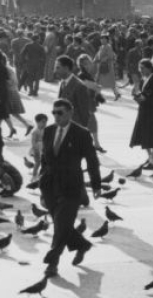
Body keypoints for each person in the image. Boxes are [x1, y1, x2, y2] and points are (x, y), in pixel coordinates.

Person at [39, 98, 103, 277]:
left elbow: (92, 160)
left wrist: (96, 184)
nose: (56, 116)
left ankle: (52, 262)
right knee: (62, 224)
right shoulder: (49, 131)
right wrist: (41, 182)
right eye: (54, 113)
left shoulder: (81, 133)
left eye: (60, 113)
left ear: (70, 113)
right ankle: (82, 244)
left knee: (61, 224)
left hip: (71, 186)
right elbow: (45, 158)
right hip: (50, 185)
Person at [129, 59, 153, 170]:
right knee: (144, 137)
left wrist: (141, 97)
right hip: (144, 112)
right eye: (139, 68)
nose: (140, 70)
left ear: (149, 68)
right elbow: (141, 97)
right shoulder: (143, 80)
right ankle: (151, 159)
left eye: (142, 68)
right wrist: (137, 95)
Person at [28, 112, 48, 181]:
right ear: (37, 122)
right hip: (37, 149)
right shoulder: (35, 131)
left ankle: (41, 175)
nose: (45, 124)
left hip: (44, 149)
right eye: (43, 122)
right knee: (38, 163)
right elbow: (33, 141)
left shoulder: (46, 130)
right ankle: (34, 176)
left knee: (43, 162)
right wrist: (35, 149)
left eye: (45, 122)